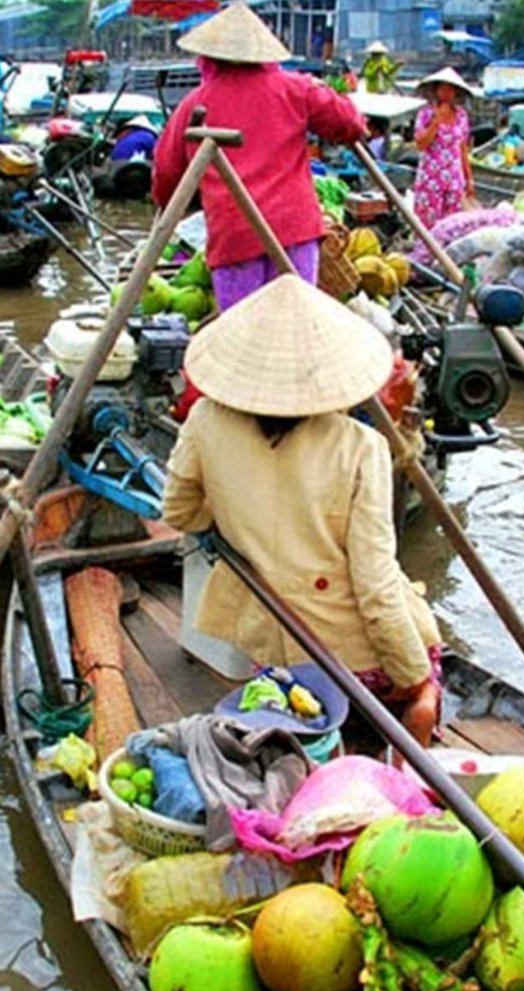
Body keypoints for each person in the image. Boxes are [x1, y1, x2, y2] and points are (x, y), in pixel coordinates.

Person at [162, 275, 444, 746]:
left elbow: (178, 510)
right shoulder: (360, 446)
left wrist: (232, 520)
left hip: (274, 643)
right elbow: (374, 586)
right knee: (427, 666)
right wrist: (415, 679)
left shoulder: (205, 419)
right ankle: (414, 725)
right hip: (352, 657)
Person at [152, 4, 365, 311]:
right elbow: (350, 124)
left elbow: (167, 173)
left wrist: (166, 204)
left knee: (243, 335)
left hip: (235, 233)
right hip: (293, 230)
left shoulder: (194, 104)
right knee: (294, 328)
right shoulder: (296, 89)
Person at [412, 67, 475, 231]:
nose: (446, 93)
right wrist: (436, 122)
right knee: (428, 227)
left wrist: (469, 179)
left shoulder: (461, 116)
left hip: (454, 181)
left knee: (452, 227)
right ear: (436, 90)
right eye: (442, 88)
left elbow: (462, 149)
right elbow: (420, 144)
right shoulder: (426, 114)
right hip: (431, 180)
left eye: (450, 89)